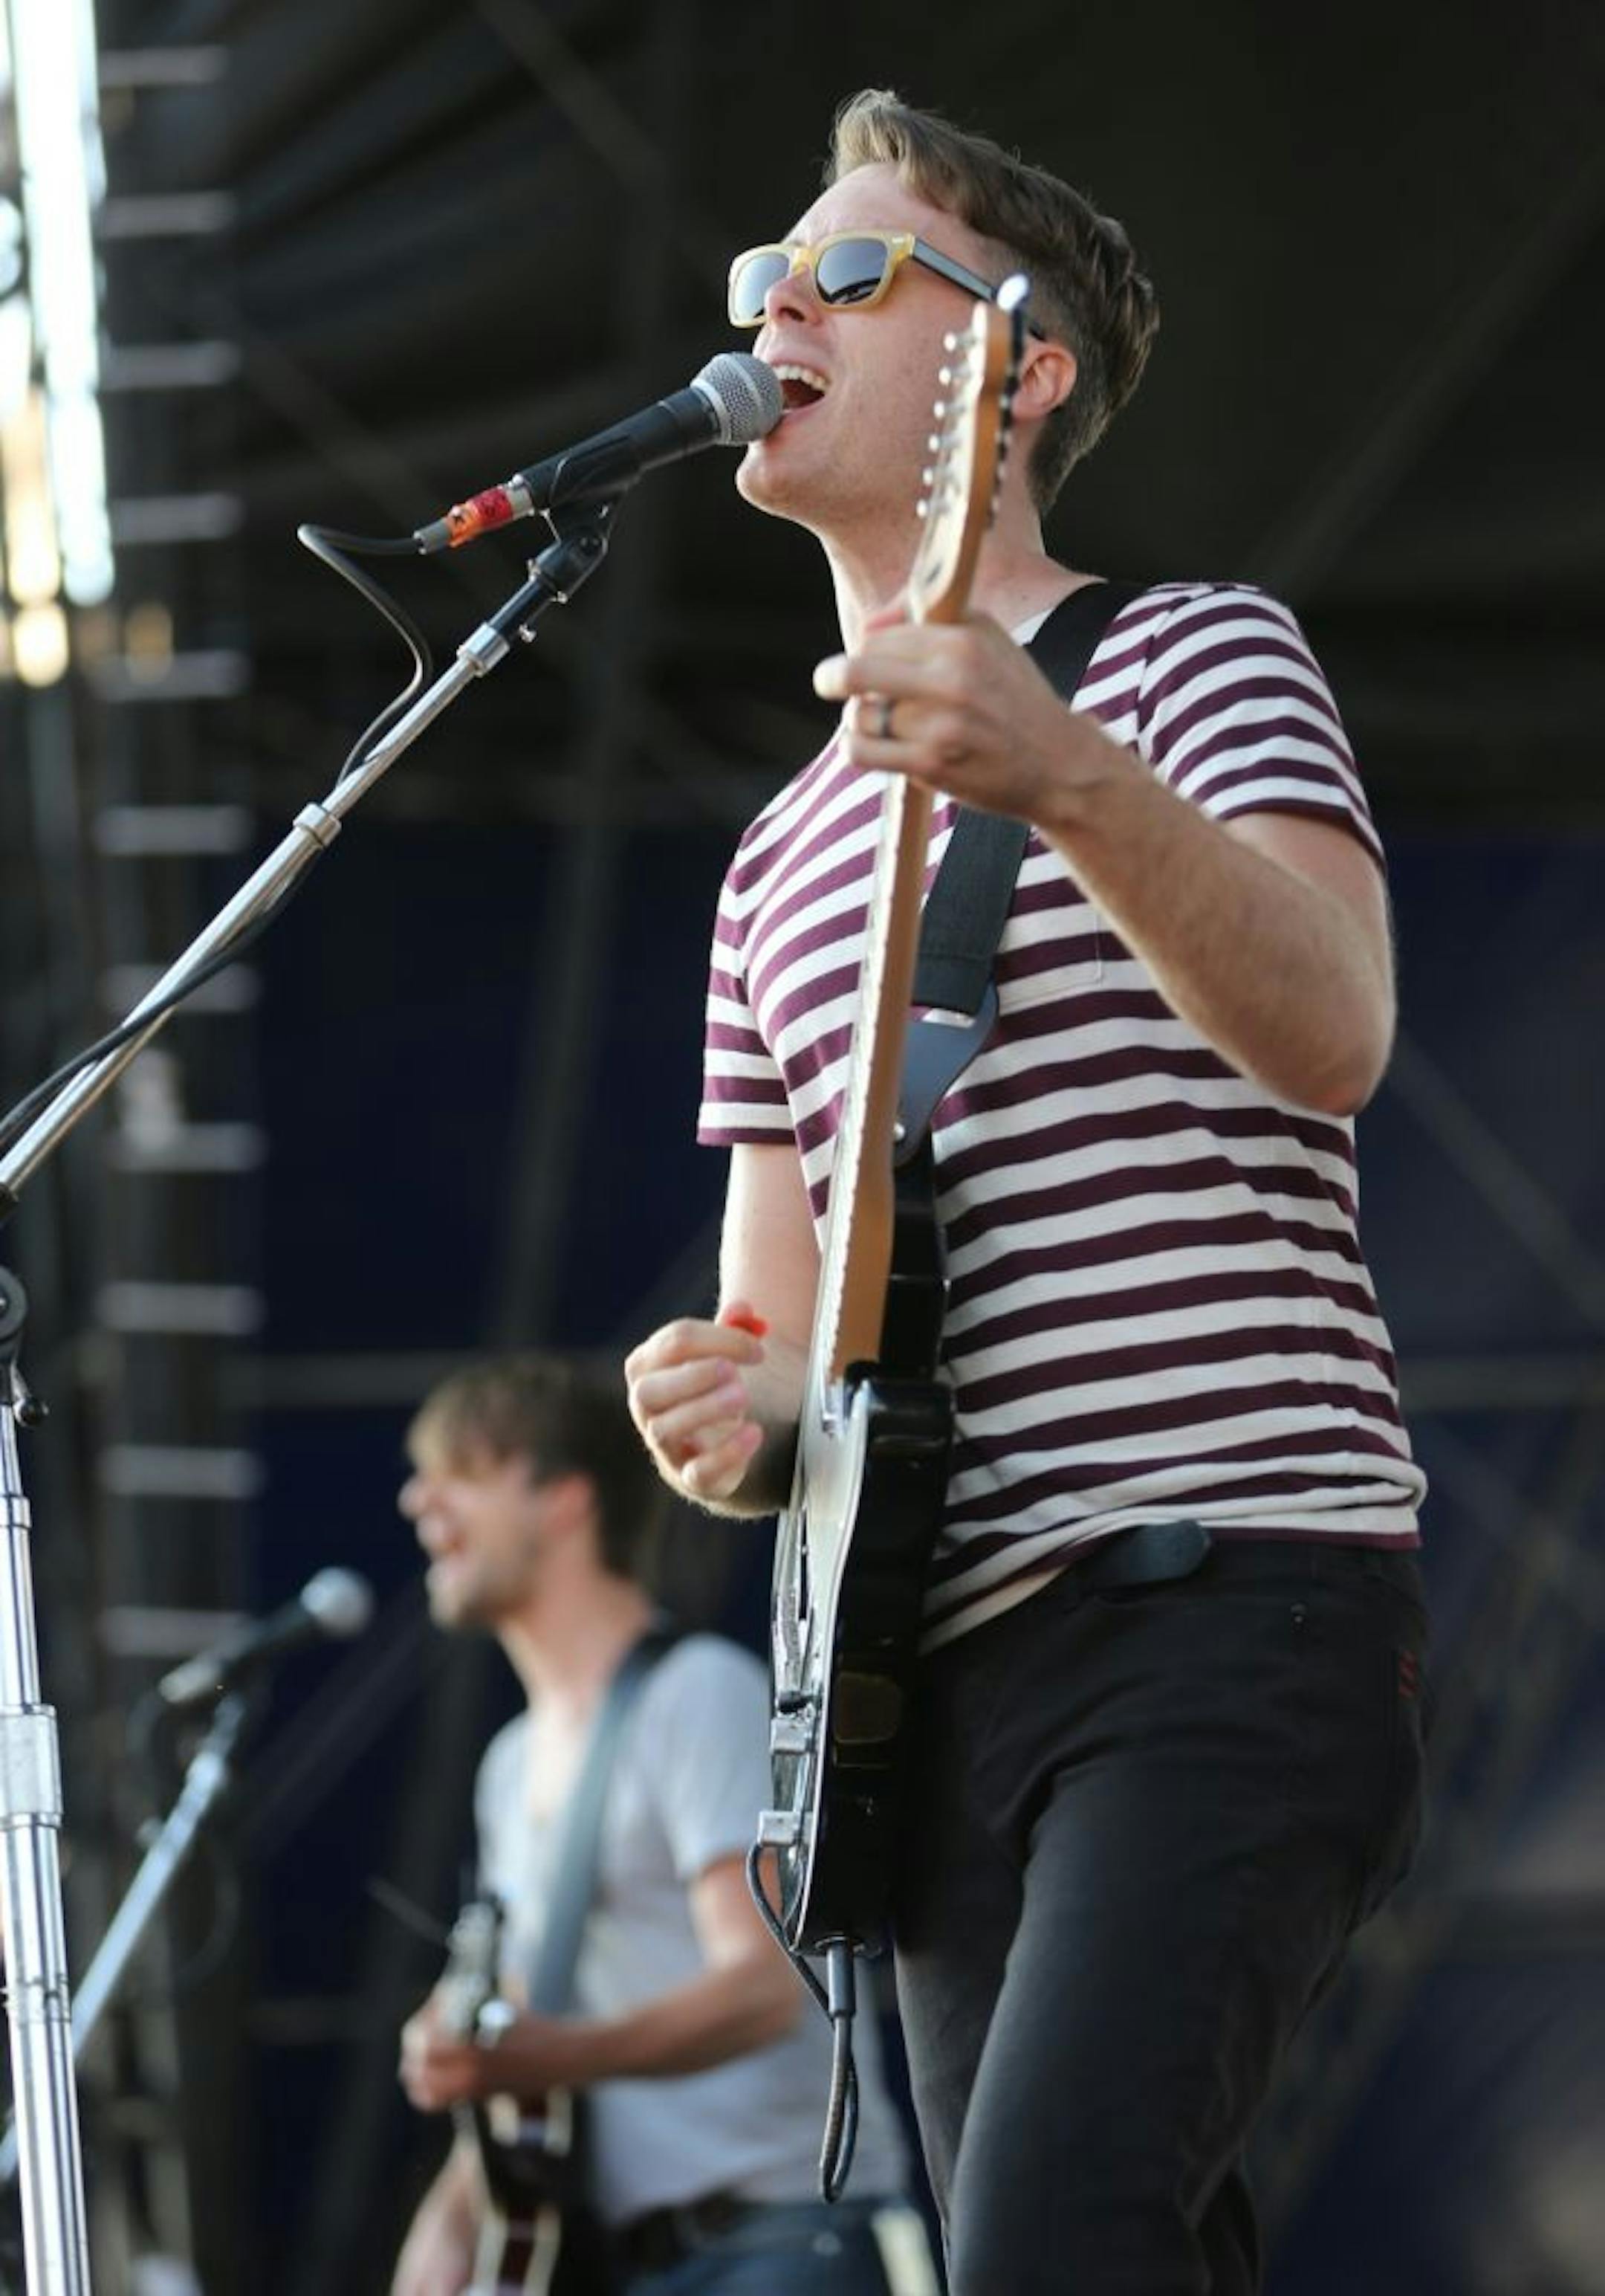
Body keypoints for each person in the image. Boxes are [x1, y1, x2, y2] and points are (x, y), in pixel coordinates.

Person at [624, 87, 1430, 2296]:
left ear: (1023, 365)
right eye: (764, 280)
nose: (776, 310)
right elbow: (789, 1354)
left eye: (847, 271)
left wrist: (1060, 771)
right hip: (933, 1692)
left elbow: (1334, 1029)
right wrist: (719, 1407)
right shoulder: (766, 866)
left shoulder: (1192, 654)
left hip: (1222, 1590)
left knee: (1051, 2247)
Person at [388, 1352, 918, 2296]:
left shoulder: (696, 1694)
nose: (419, 1501)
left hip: (776, 2240)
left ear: (566, 1499)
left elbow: (763, 1989)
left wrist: (548, 2052)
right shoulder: (511, 1764)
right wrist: (454, 2211)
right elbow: (533, 2025)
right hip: (636, 2257)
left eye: (462, 1472)